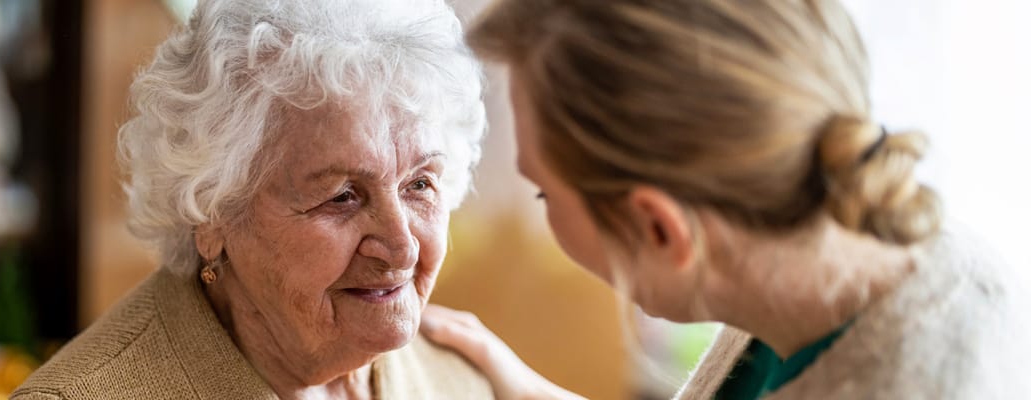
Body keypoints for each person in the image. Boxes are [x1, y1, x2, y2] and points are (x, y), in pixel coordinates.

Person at [420, 0, 1031, 399]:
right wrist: (523, 389)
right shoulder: (826, 280)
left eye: (543, 191)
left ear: (659, 230)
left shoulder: (936, 379)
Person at [11, 0, 493, 398]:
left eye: (420, 184)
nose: (403, 247)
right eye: (342, 196)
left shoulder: (468, 378)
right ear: (212, 211)